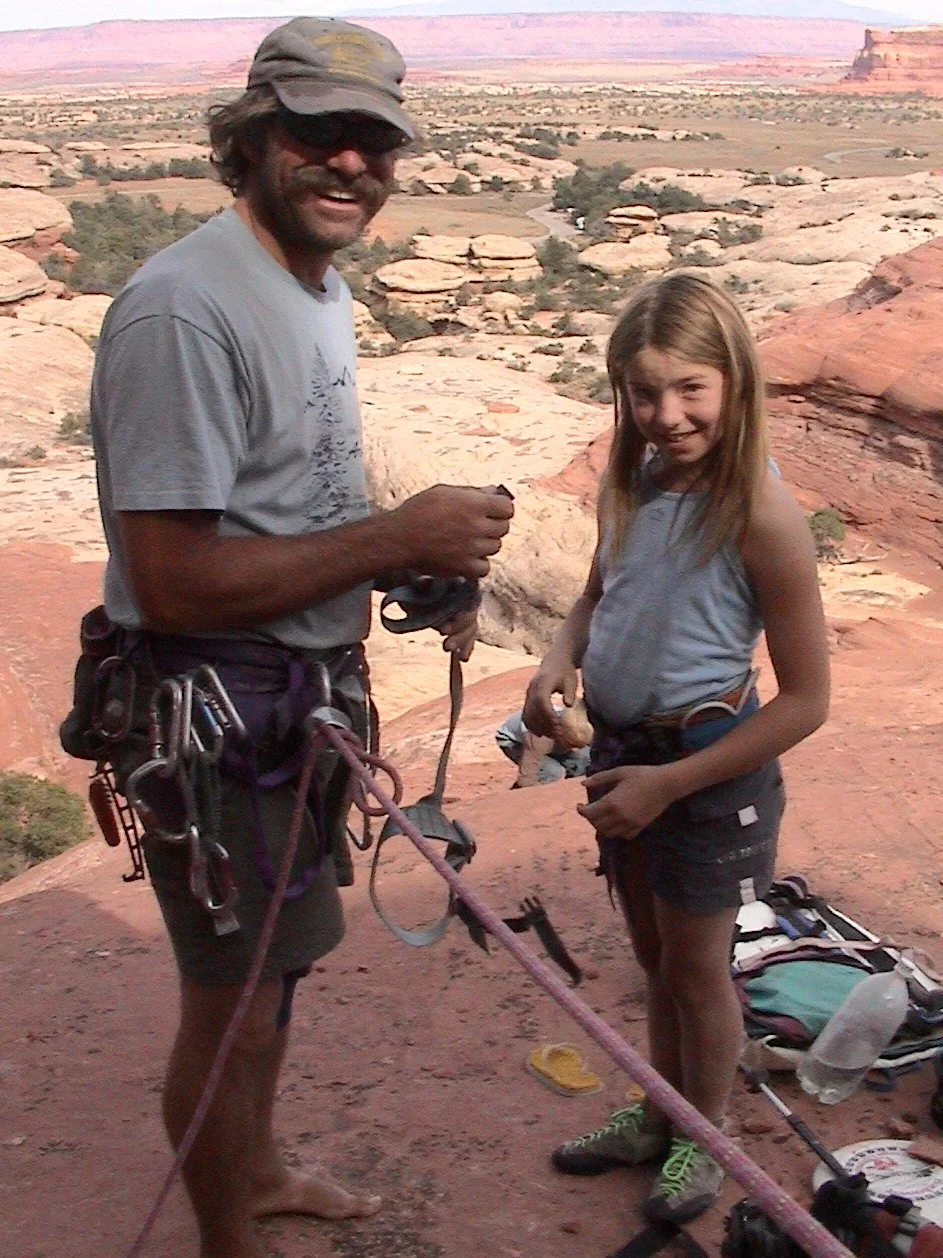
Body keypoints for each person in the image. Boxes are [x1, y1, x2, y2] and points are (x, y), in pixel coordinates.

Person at [87, 18, 513, 1258]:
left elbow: (281, 510)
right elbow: (166, 580)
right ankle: (230, 1236)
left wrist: (406, 559)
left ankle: (257, 1171)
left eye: (376, 142)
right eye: (321, 136)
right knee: (233, 1008)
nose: (351, 164)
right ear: (253, 139)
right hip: (220, 716)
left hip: (292, 699)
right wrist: (392, 537)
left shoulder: (307, 287)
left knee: (270, 985)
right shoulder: (184, 309)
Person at [523, 272, 829, 1225]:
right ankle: (660, 1117)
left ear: (733, 384)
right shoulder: (636, 480)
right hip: (625, 761)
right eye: (643, 391)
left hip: (702, 777)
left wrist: (669, 784)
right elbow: (593, 595)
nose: (665, 413)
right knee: (653, 959)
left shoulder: (758, 515)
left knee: (696, 973)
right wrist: (554, 663)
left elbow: (808, 701)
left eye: (690, 388)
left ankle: (703, 1143)